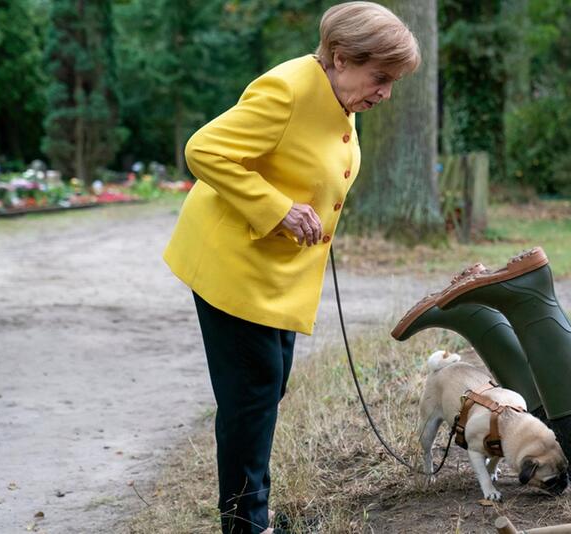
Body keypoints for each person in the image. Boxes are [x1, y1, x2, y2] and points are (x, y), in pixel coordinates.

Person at [162, 3, 420, 533]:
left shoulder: (340, 97)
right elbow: (204, 148)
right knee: (252, 397)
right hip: (233, 266)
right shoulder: (287, 90)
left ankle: (248, 513)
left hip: (273, 275)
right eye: (381, 78)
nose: (386, 93)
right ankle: (246, 524)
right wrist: (276, 208)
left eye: (392, 82)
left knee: (265, 389)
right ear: (342, 58)